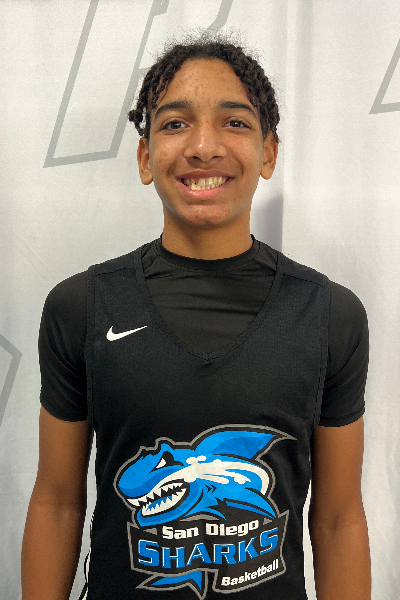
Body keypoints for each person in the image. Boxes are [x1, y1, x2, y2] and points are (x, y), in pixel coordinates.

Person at [21, 34, 371, 600]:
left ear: (268, 153)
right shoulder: (81, 307)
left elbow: (338, 520)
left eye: (234, 123)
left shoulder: (331, 315)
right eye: (175, 123)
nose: (204, 147)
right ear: (144, 158)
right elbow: (57, 502)